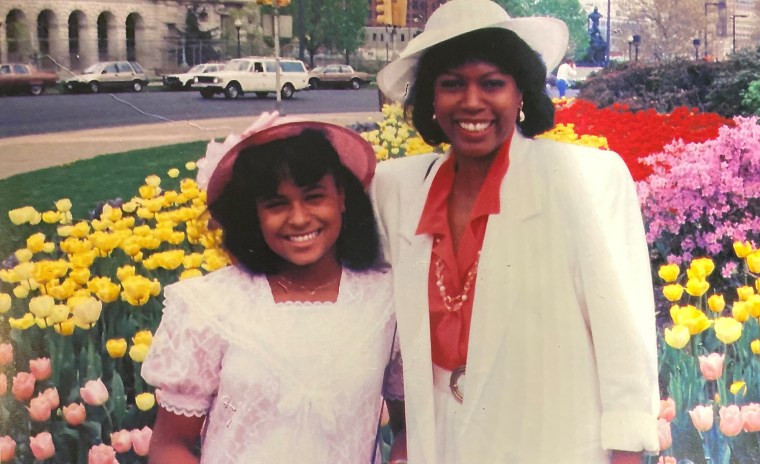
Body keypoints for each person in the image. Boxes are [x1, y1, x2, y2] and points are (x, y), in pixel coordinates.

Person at [372, 0, 660, 463]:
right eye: (451, 85)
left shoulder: (585, 178)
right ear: (430, 98)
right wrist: (405, 437)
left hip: (549, 437)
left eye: (492, 84)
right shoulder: (397, 189)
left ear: (522, 91)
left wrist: (627, 452)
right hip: (440, 441)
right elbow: (395, 340)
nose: (471, 102)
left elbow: (625, 337)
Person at [141, 113, 403, 463]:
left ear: (341, 197)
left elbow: (410, 427)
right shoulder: (210, 305)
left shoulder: (386, 301)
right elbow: (170, 444)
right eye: (277, 204)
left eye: (313, 197)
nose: (298, 218)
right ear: (254, 213)